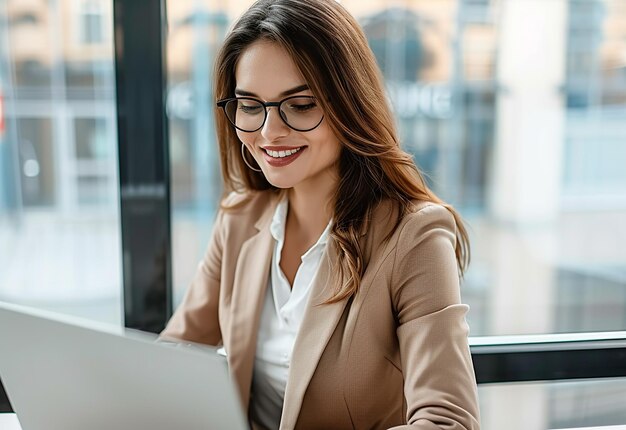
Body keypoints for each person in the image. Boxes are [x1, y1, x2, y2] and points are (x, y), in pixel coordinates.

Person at [161, 0, 480, 428]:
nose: (270, 132)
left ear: (349, 104)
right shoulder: (239, 219)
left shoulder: (415, 235)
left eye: (302, 104)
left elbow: (448, 420)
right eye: (251, 106)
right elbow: (173, 356)